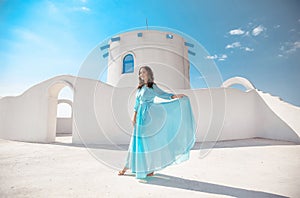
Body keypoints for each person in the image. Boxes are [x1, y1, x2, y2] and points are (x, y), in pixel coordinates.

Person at [118, 65, 196, 179]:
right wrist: (134, 116)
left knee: (148, 143)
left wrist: (175, 96)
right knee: (136, 142)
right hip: (139, 116)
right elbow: (136, 104)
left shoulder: (152, 86)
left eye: (144, 72)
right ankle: (128, 167)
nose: (141, 74)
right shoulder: (140, 88)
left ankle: (150, 168)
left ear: (149, 74)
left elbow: (163, 95)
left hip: (148, 116)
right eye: (140, 73)